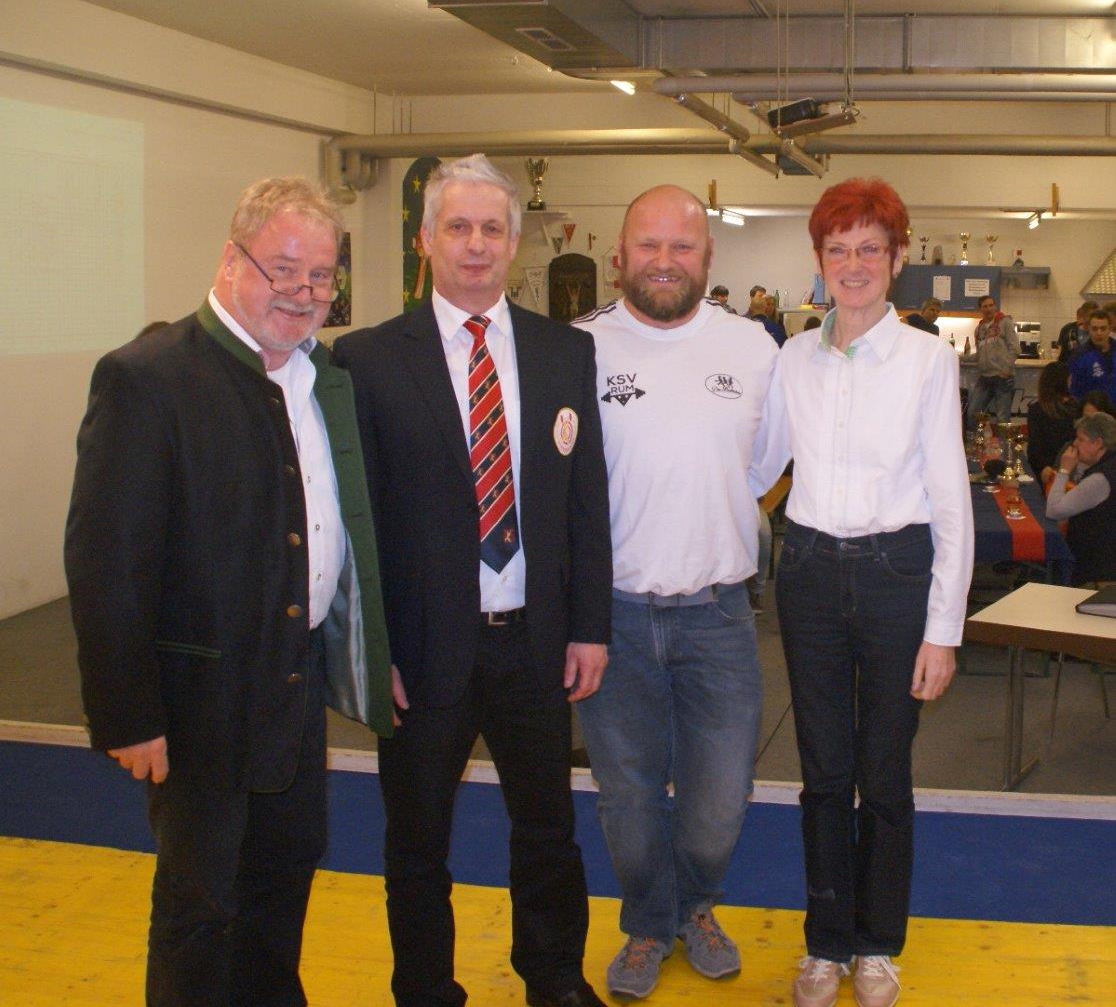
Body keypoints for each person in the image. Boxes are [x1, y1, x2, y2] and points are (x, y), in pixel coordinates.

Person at [64, 176, 394, 1006]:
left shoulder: (321, 381)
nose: (303, 292)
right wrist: (128, 714)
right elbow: (105, 563)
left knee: (283, 880)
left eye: (321, 277)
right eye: (284, 268)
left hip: (293, 687)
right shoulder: (148, 379)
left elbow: (338, 532)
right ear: (230, 259)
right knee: (200, 908)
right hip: (196, 706)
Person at [333, 154, 612, 1007]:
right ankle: (424, 989)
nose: (477, 244)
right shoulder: (367, 359)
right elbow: (357, 525)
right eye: (457, 227)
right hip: (422, 654)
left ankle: (554, 979)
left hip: (535, 644)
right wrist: (372, 648)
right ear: (426, 240)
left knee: (549, 832)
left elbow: (585, 500)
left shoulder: (566, 352)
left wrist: (590, 626)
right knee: (416, 843)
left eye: (492, 228)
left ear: (515, 242)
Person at [751, 177, 973, 1007]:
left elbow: (949, 500)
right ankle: (825, 943)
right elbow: (759, 465)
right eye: (838, 249)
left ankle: (877, 944)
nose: (853, 265)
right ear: (818, 259)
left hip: (894, 577)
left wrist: (942, 630)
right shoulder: (793, 357)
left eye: (869, 249)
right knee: (820, 771)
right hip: (809, 573)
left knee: (882, 773)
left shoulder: (926, 360)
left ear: (897, 258)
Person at [572, 185, 776, 999]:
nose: (664, 261)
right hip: (611, 617)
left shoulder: (753, 347)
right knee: (627, 798)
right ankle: (651, 924)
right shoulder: (577, 347)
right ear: (620, 254)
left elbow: (765, 466)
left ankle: (696, 905)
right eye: (649, 245)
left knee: (720, 799)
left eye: (681, 246)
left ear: (708, 257)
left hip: (718, 615)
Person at [1045, 412, 1116, 584]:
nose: (1075, 444)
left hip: (1097, 571)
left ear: (1097, 443)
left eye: (1080, 439)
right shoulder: (1109, 465)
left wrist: (1064, 470)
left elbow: (1054, 511)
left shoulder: (1100, 479)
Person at [963, 294, 1019, 425]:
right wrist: (960, 358)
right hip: (985, 377)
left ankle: (1003, 440)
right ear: (980, 309)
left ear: (995, 306)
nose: (988, 308)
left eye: (991, 305)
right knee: (972, 413)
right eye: (985, 306)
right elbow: (979, 355)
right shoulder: (979, 329)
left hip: (1002, 377)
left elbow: (1015, 348)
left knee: (1002, 418)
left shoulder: (1005, 322)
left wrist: (1006, 370)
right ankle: (976, 439)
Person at [1026, 361, 1079, 478]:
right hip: (1071, 467)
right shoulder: (1075, 407)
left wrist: (1043, 467)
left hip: (1046, 470)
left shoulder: (1036, 409)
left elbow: (1034, 448)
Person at [1068, 309, 1116, 405]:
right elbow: (1075, 392)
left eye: (1103, 328)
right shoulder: (1079, 356)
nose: (1099, 333)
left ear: (1110, 329)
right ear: (1088, 329)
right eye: (1094, 329)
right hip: (1092, 412)